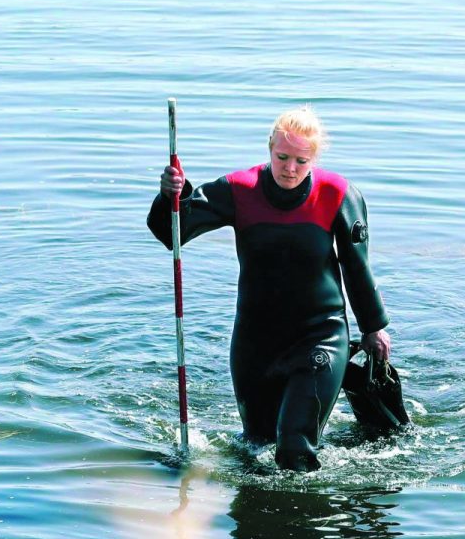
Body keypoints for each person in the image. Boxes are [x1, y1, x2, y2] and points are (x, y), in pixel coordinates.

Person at [148, 106, 392, 470]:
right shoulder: (238, 189)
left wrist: (373, 327)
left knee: (294, 449)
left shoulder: (338, 194)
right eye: (282, 157)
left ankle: (305, 520)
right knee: (255, 449)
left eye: (300, 160)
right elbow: (172, 233)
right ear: (269, 148)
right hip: (255, 343)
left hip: (320, 335)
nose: (289, 168)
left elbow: (357, 267)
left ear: (314, 159)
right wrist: (171, 196)